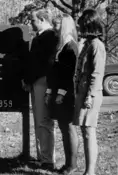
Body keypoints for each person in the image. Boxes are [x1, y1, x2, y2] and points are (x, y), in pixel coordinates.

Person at [22, 8, 58, 170]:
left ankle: (48, 160)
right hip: (35, 82)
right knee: (38, 120)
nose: (30, 23)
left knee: (44, 121)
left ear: (42, 20)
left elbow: (43, 64)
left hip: (43, 81)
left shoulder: (51, 36)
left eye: (33, 20)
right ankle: (42, 157)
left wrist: (30, 79)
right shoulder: (39, 37)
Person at [45, 14, 79, 175]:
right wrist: (50, 91)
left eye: (57, 25)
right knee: (63, 128)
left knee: (69, 129)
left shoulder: (71, 46)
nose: (54, 28)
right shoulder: (59, 45)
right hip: (57, 92)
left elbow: (69, 74)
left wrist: (61, 93)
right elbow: (54, 72)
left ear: (65, 25)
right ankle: (67, 164)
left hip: (66, 94)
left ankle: (72, 165)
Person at [74, 9, 106, 175]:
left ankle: (90, 172)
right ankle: (88, 171)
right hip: (83, 91)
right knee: (85, 131)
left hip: (90, 94)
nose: (79, 29)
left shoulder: (97, 46)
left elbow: (97, 73)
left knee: (89, 131)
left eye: (81, 26)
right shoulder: (87, 45)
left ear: (90, 25)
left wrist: (90, 96)